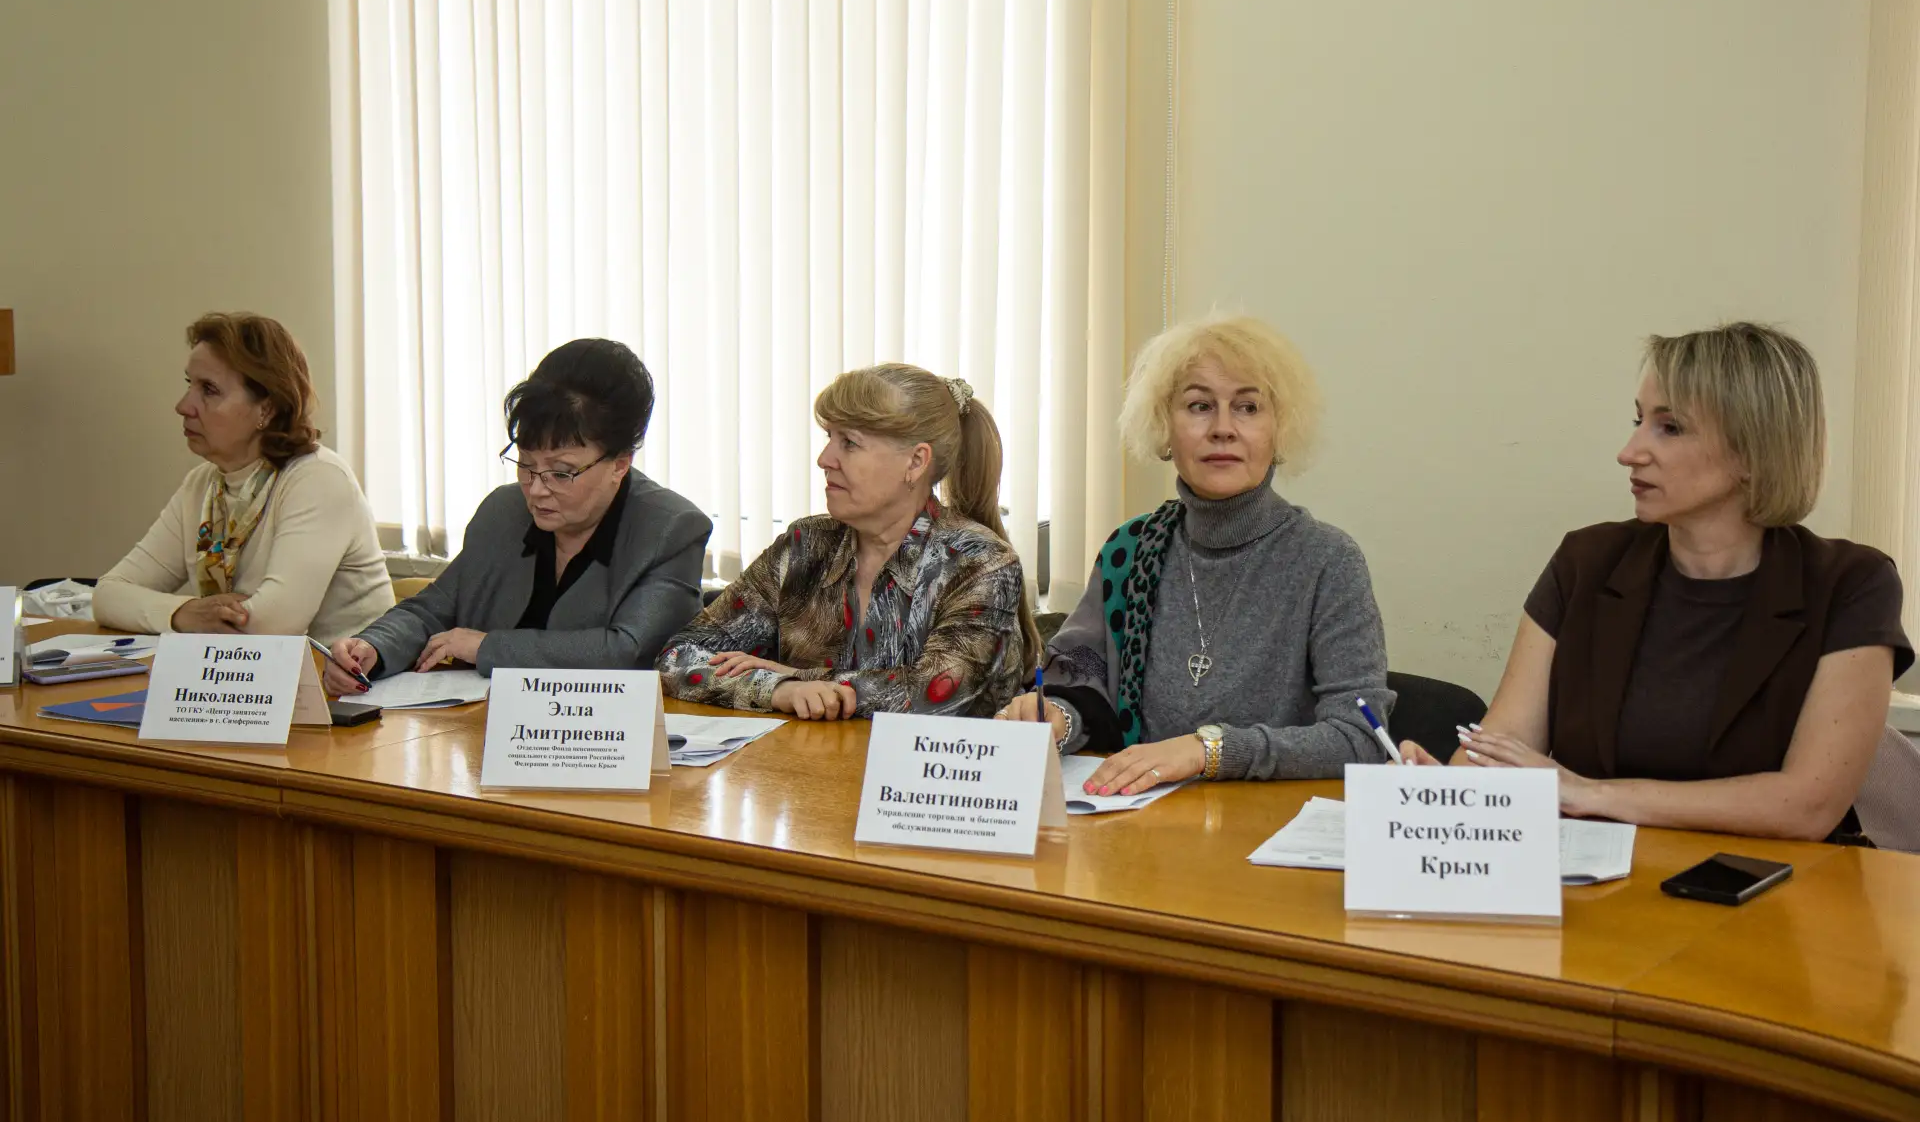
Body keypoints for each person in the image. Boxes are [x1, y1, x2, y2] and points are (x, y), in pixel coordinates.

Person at [1401, 323, 1911, 844]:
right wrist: (1450, 791)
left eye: (1670, 427)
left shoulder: (1850, 584)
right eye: (1638, 420)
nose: (1629, 452)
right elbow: (1506, 742)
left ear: (1752, 451)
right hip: (1594, 877)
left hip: (1775, 884)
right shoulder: (1586, 561)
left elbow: (1807, 806)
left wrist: (1588, 794)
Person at [995, 315, 1394, 792]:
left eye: (1248, 407)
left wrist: (1208, 750)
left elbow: (1360, 738)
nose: (1223, 428)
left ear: (1279, 429)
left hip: (1269, 827)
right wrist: (1058, 716)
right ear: (1164, 427)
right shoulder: (1130, 549)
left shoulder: (1328, 560)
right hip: (1137, 821)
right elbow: (1081, 683)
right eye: (1199, 406)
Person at [658, 364, 1038, 720]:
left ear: (915, 462)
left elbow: (933, 694)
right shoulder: (805, 546)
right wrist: (778, 690)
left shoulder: (978, 562)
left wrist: (796, 679)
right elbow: (677, 658)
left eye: (850, 443)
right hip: (807, 766)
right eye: (830, 438)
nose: (825, 459)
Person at [325, 339, 708, 689]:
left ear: (620, 464)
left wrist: (487, 647)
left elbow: (627, 652)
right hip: (484, 730)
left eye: (561, 472)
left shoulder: (670, 529)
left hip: (603, 735)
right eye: (525, 464)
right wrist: (371, 648)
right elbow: (432, 610)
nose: (536, 489)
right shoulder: (503, 512)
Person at [95, 313, 393, 642]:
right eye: (189, 384)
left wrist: (188, 616)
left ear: (266, 409)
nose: (184, 406)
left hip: (341, 672)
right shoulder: (202, 485)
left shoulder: (318, 479)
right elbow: (108, 594)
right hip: (241, 670)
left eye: (209, 390)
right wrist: (184, 613)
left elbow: (271, 625)